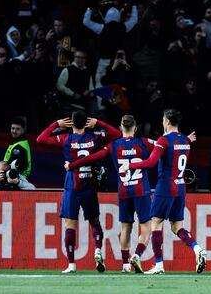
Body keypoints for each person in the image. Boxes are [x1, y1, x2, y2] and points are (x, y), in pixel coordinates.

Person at [64, 115, 154, 273]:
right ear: (135, 128)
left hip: (124, 191)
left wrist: (72, 165)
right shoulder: (144, 143)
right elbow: (163, 148)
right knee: (146, 226)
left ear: (120, 128)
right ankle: (137, 255)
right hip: (141, 191)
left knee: (126, 228)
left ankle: (125, 264)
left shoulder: (113, 145)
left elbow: (92, 157)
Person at [121, 109, 207, 274]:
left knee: (156, 223)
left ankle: (159, 265)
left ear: (167, 121)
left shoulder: (164, 140)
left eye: (163, 120)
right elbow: (179, 146)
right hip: (180, 187)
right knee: (177, 227)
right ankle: (198, 250)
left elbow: (150, 162)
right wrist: (186, 139)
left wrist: (129, 165)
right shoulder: (185, 140)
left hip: (165, 187)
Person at [36, 110, 120, 273]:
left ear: (72, 123)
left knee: (70, 224)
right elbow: (116, 134)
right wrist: (99, 123)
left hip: (72, 187)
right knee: (94, 222)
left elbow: (41, 139)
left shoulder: (65, 139)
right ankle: (97, 250)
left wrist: (56, 125)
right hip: (89, 186)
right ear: (86, 123)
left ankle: (72, 264)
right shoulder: (94, 137)